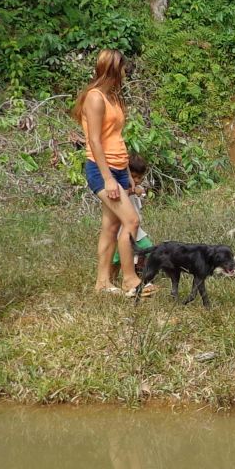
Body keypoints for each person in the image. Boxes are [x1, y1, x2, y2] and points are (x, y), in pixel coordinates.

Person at [72, 49, 145, 295]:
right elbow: (94, 140)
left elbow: (116, 137)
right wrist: (108, 179)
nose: (126, 73)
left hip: (119, 166)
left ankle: (102, 282)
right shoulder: (94, 98)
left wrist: (126, 174)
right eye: (123, 68)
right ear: (114, 69)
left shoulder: (113, 97)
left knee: (111, 227)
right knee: (132, 220)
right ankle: (129, 279)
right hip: (101, 170)